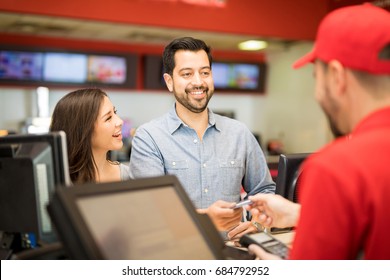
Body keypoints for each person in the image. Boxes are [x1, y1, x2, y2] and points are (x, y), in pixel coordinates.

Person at [246, 3, 390, 260]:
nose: (317, 93)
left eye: (316, 76)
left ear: (336, 76)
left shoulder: (338, 167)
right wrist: (299, 214)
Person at [129, 36, 275, 236]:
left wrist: (258, 221)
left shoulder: (239, 133)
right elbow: (150, 210)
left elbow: (264, 190)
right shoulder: (149, 137)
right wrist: (205, 220)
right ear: (169, 81)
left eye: (205, 72)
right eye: (187, 74)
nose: (198, 82)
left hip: (234, 254)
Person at [50, 88, 131, 184]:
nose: (120, 122)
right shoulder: (55, 183)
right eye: (108, 118)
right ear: (82, 129)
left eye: (115, 112)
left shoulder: (129, 176)